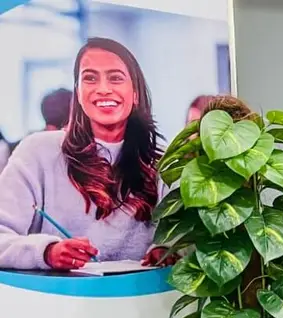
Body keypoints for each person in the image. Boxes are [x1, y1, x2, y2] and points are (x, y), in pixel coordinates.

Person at [0, 39, 162, 270]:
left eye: (115, 78)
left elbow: (187, 240)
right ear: (78, 92)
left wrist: (168, 249)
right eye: (90, 78)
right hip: (57, 293)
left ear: (135, 92)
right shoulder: (38, 151)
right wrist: (46, 252)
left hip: (143, 293)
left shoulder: (161, 163)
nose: (103, 89)